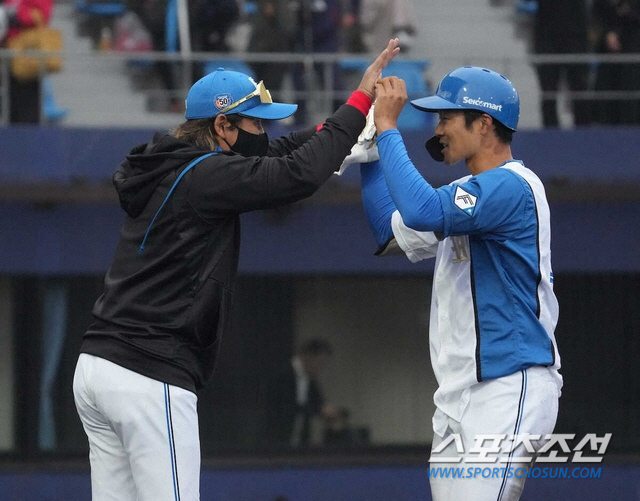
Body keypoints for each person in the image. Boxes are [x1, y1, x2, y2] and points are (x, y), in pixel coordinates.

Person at [72, 39, 400, 501]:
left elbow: (283, 152)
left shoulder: (176, 164)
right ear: (222, 124)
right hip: (147, 371)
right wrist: (360, 104)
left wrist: (348, 122)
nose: (264, 131)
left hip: (98, 368)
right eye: (255, 122)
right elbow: (295, 175)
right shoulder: (205, 174)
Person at [357, 67, 562, 500]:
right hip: (457, 395)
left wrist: (389, 129)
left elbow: (421, 211)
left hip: (509, 382)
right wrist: (373, 155)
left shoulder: (515, 186)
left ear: (483, 124)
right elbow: (388, 232)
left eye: (447, 117)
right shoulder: (470, 189)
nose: (438, 129)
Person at [265, 338, 336, 448]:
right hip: (276, 441)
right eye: (319, 363)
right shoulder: (282, 374)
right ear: (308, 357)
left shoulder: (311, 381)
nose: (319, 368)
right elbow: (285, 407)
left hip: (299, 443)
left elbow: (317, 401)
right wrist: (316, 408)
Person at [532, 0, 591, 127]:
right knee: (549, 92)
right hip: (547, 39)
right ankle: (550, 135)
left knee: (579, 89)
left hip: (576, 37)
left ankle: (584, 133)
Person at [1, 0, 53, 123]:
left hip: (28, 54)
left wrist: (15, 13)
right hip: (6, 52)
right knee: (9, 103)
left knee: (27, 103)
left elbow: (41, 15)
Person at [591, 0, 640, 124]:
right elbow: (596, 16)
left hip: (633, 50)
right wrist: (608, 33)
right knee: (606, 95)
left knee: (630, 93)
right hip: (607, 56)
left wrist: (626, 11)